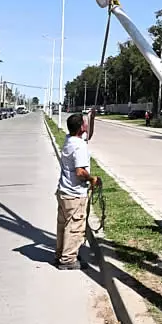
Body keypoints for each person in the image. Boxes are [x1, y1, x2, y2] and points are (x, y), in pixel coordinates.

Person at [55, 113, 100, 270]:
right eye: (86, 123)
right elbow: (80, 172)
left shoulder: (70, 140)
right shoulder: (79, 146)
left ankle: (61, 254)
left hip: (64, 192)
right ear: (81, 127)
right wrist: (92, 179)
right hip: (74, 194)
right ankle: (68, 260)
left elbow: (89, 135)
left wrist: (91, 118)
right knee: (75, 228)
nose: (87, 125)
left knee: (63, 226)